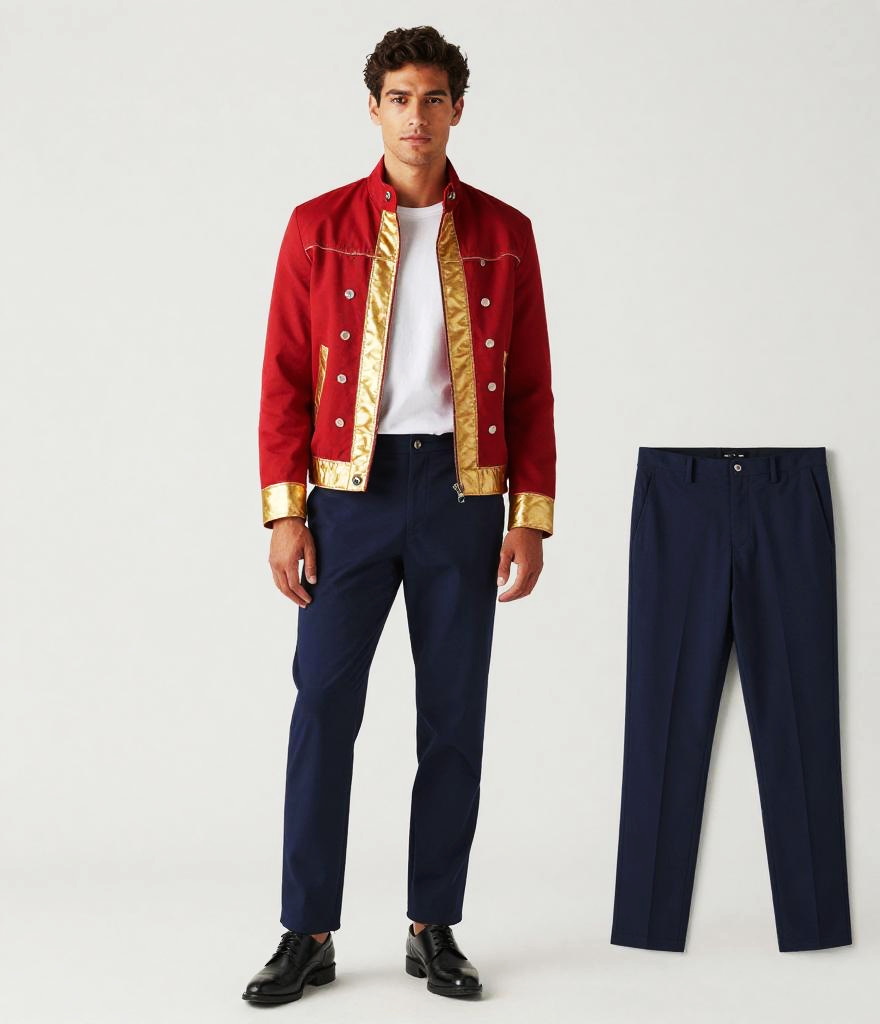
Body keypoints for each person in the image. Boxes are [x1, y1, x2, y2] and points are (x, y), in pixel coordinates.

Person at [242, 25, 557, 1004]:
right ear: (373, 108)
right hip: (350, 496)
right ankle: (307, 930)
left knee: (453, 716)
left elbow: (532, 386)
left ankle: (434, 925)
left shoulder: (505, 232)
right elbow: (284, 376)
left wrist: (529, 514)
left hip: (464, 493)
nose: (415, 116)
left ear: (457, 109)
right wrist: (285, 513)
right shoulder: (316, 225)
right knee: (323, 708)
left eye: (432, 98)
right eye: (398, 98)